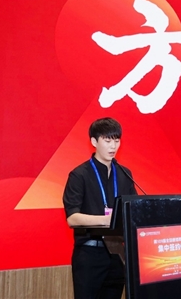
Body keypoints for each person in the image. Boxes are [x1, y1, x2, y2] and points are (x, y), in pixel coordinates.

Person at [63, 117, 138, 299]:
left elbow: (134, 209)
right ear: (94, 142)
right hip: (90, 253)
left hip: (117, 252)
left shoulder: (125, 174)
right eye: (107, 140)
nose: (113, 146)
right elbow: (72, 218)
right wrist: (108, 220)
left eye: (116, 140)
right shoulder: (79, 175)